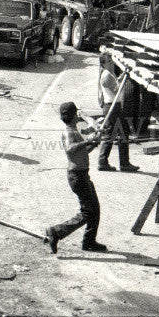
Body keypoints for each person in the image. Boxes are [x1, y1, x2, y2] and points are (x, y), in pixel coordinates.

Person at [45, 102, 107, 254]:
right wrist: (88, 140)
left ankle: (89, 241)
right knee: (87, 212)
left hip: (82, 175)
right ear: (74, 116)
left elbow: (83, 151)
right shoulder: (69, 132)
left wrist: (94, 143)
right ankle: (56, 232)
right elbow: (70, 149)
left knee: (95, 210)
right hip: (77, 177)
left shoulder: (74, 131)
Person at [97, 53, 139, 172]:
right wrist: (123, 80)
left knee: (116, 134)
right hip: (112, 107)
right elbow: (116, 90)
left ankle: (105, 161)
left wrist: (123, 75)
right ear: (103, 64)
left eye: (111, 61)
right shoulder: (106, 76)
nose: (111, 63)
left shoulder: (110, 74)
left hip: (114, 107)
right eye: (109, 62)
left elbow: (116, 83)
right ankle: (118, 163)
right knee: (119, 134)